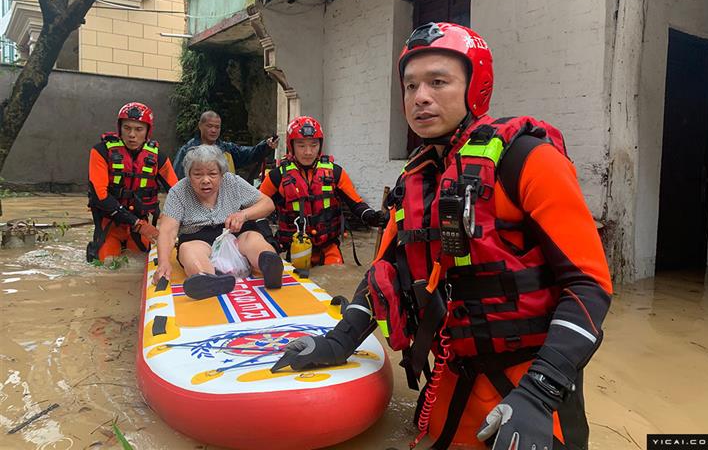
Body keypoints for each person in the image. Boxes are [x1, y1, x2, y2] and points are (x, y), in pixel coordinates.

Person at [272, 23, 613, 450]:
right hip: (453, 377)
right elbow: (386, 273)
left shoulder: (529, 160)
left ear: (476, 87)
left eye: (438, 82)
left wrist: (540, 392)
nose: (420, 97)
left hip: (528, 384)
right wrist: (338, 342)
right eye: (410, 85)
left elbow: (589, 286)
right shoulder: (415, 177)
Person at [154, 145, 283, 298]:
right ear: (188, 175)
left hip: (234, 231)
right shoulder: (178, 191)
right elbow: (168, 231)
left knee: (253, 239)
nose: (205, 180)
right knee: (189, 250)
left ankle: (269, 266)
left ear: (222, 174)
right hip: (196, 237)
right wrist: (163, 262)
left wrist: (243, 215)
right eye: (197, 174)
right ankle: (208, 278)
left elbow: (267, 204)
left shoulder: (233, 182)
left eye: (212, 174)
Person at [259, 115, 384, 266]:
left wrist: (372, 217)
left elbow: (356, 204)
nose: (308, 152)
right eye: (301, 145)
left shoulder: (335, 173)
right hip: (294, 248)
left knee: (336, 279)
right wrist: (267, 238)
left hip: (329, 248)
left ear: (320, 145)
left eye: (313, 145)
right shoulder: (277, 176)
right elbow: (255, 210)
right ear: (291, 146)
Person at [87, 102, 178, 263]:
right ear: (119, 129)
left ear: (147, 131)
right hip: (110, 225)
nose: (132, 135)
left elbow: (179, 193)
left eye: (138, 129)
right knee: (105, 262)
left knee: (141, 259)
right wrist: (137, 224)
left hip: (141, 227)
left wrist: (171, 222)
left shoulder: (158, 157)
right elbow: (99, 196)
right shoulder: (101, 152)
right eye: (127, 128)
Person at [173, 110, 279, 179]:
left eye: (217, 127)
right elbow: (176, 180)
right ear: (200, 126)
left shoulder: (227, 149)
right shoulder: (188, 151)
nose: (213, 130)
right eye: (210, 126)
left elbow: (249, 154)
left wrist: (266, 145)